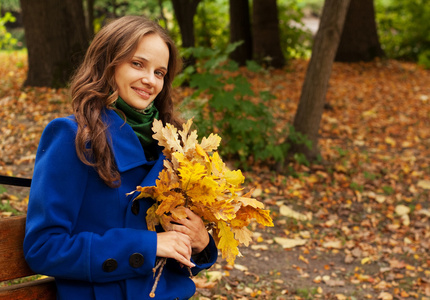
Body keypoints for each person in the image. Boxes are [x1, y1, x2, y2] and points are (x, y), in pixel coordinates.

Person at [23, 15, 218, 300]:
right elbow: (44, 248)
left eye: (160, 73)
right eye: (137, 64)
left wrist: (202, 242)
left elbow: (176, 254)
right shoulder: (72, 136)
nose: (149, 80)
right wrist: (147, 246)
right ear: (107, 63)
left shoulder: (172, 142)